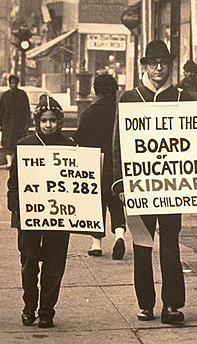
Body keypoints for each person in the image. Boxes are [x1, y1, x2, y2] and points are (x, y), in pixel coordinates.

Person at [113, 40, 197, 325]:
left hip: (171, 186)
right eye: (153, 63)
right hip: (138, 184)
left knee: (170, 243)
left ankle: (172, 304)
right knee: (142, 245)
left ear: (170, 65)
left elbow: (194, 139)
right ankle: (146, 304)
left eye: (163, 62)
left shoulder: (182, 98)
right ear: (144, 66)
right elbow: (118, 144)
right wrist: (120, 184)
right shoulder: (129, 98)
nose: (159, 67)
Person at [7, 96, 75, 328]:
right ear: (37, 122)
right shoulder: (25, 145)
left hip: (59, 217)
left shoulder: (70, 146)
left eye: (53, 120)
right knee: (29, 263)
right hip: (30, 217)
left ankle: (46, 310)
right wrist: (15, 203)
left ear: (60, 122)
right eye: (44, 120)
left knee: (55, 265)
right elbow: (14, 180)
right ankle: (29, 306)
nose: (48, 125)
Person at [73, 75, 126, 260]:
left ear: (96, 90)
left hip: (96, 164)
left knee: (97, 204)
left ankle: (96, 244)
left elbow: (79, 139)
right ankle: (119, 235)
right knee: (116, 202)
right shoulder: (122, 111)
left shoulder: (89, 113)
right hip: (118, 165)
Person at [0, 74, 31, 168]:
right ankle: (9, 163)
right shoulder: (5, 96)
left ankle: (16, 162)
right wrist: (1, 125)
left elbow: (26, 110)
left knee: (18, 143)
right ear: (9, 84)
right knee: (8, 144)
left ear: (17, 84)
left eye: (15, 83)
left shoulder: (22, 95)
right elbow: (1, 111)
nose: (13, 85)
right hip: (7, 124)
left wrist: (27, 124)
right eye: (11, 83)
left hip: (19, 124)